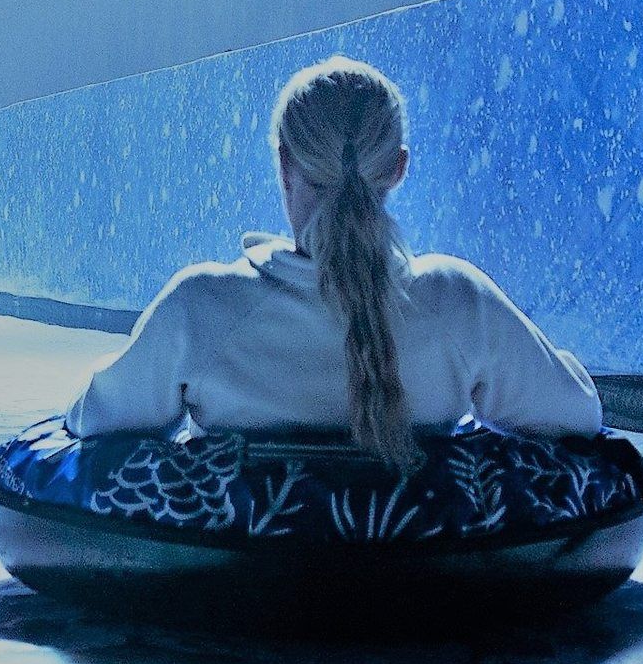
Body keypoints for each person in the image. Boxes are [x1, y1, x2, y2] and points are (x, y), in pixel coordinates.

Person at [64, 56, 601, 469]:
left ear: (284, 165)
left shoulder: (201, 306)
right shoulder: (457, 299)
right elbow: (577, 415)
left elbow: (94, 421)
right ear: (397, 169)